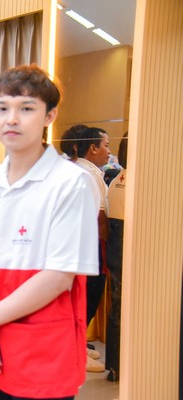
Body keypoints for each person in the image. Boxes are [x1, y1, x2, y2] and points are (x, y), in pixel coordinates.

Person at [0, 65, 99, 400]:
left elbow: (58, 277)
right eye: (2, 108)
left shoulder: (71, 183)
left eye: (27, 108)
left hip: (41, 351)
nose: (12, 119)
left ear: (49, 116)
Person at [73, 126, 111, 373]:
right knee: (88, 295)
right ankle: (76, 350)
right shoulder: (88, 173)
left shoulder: (79, 169)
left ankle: (78, 343)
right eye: (106, 145)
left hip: (81, 244)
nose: (109, 151)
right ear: (93, 148)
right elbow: (99, 215)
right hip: (89, 244)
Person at [105, 132, 128, 382]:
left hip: (115, 249)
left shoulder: (116, 179)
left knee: (117, 307)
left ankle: (114, 365)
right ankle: (121, 365)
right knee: (124, 309)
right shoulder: (138, 181)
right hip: (125, 249)